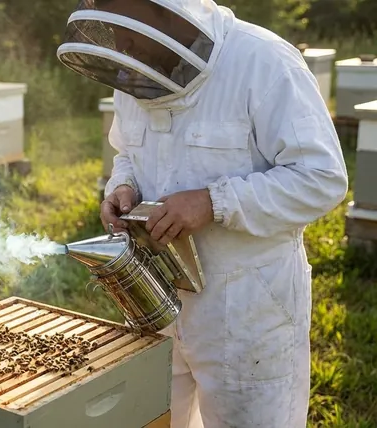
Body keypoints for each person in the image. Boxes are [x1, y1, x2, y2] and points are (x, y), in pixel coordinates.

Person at [56, 0, 349, 427]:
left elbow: (321, 178)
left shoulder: (263, 61)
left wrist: (214, 202)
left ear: (164, 9)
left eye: (127, 24)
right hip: (153, 293)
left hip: (247, 308)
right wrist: (123, 187)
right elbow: (127, 152)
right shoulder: (131, 65)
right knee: (155, 417)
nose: (122, 42)